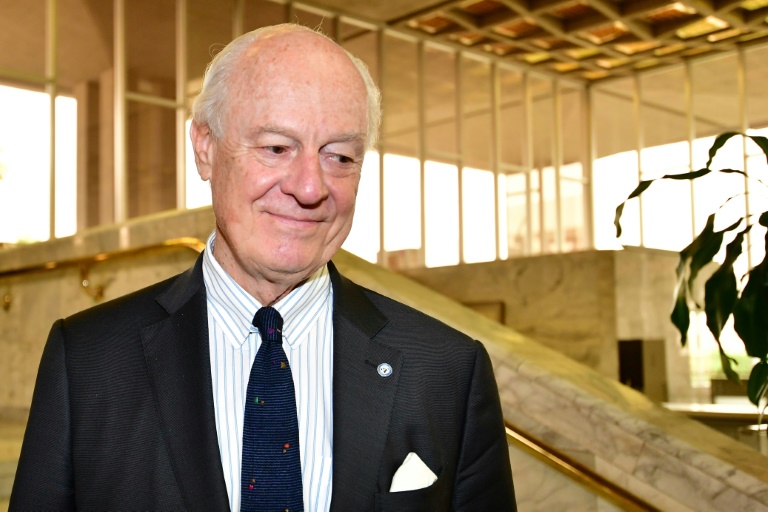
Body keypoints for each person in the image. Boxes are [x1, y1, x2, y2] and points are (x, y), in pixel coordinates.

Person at [10, 24, 516, 511]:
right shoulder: (88, 362)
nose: (310, 187)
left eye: (340, 157)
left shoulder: (449, 371)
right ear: (205, 149)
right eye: (276, 148)